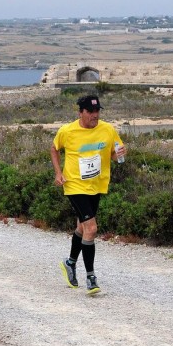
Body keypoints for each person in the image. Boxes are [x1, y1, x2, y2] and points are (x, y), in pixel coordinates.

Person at [50, 95, 127, 294]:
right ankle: (91, 277)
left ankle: (69, 263)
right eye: (90, 112)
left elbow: (115, 153)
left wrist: (119, 155)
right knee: (91, 228)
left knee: (82, 227)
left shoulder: (108, 129)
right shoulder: (67, 131)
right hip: (74, 184)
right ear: (81, 112)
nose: (95, 115)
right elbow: (54, 148)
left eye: (97, 111)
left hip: (97, 184)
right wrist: (58, 173)